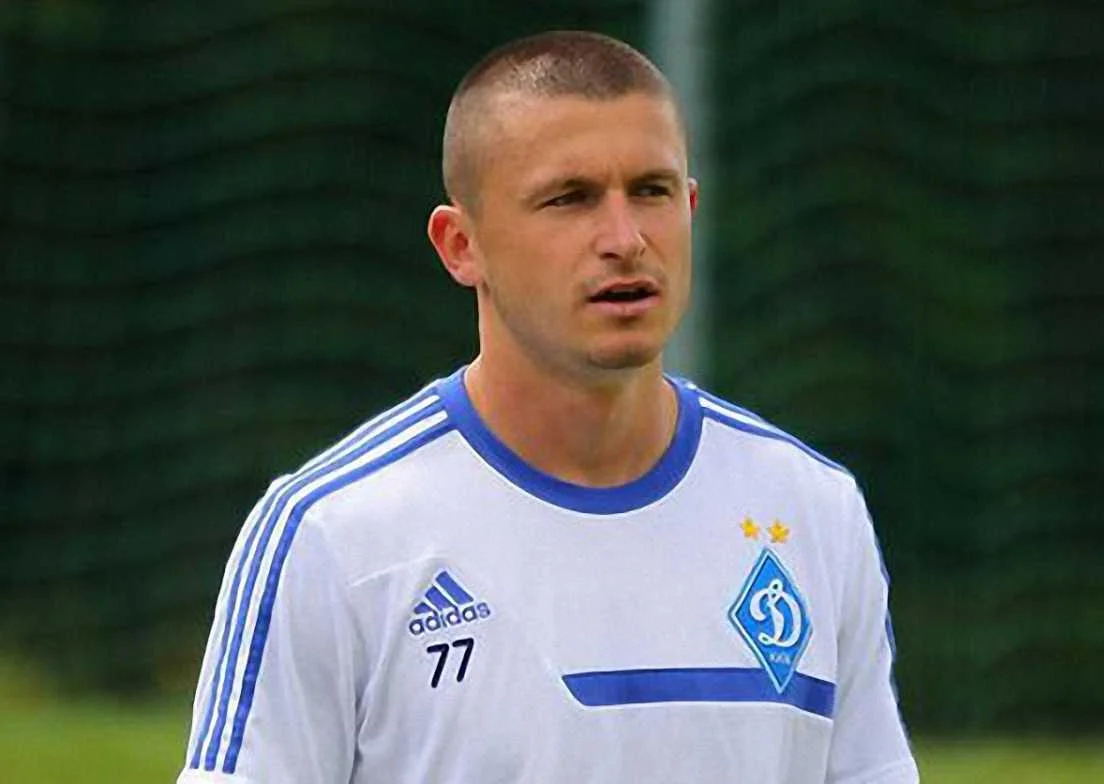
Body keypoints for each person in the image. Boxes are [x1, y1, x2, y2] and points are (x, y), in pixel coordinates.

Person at [177, 30, 919, 784]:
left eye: (653, 191)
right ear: (461, 245)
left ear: (691, 207)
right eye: (570, 199)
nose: (626, 239)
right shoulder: (335, 537)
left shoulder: (811, 511)